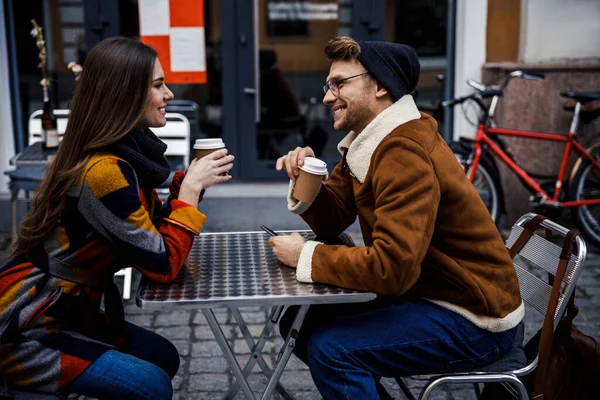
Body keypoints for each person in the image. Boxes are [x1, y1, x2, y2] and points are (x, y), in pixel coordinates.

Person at [268, 36, 524, 399]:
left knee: (332, 350)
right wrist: (307, 179)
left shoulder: (403, 153)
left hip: (475, 317)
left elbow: (391, 267)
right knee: (302, 321)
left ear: (381, 86)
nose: (327, 96)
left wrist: (303, 256)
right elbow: (333, 220)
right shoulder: (371, 140)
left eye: (339, 84)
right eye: (328, 85)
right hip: (430, 290)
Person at [0, 37, 234, 399]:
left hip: (72, 310)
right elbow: (161, 262)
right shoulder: (104, 170)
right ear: (125, 95)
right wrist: (188, 194)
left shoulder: (125, 152)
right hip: (29, 326)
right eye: (158, 85)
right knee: (153, 386)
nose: (169, 94)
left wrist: (190, 184)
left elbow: (144, 222)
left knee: (162, 356)